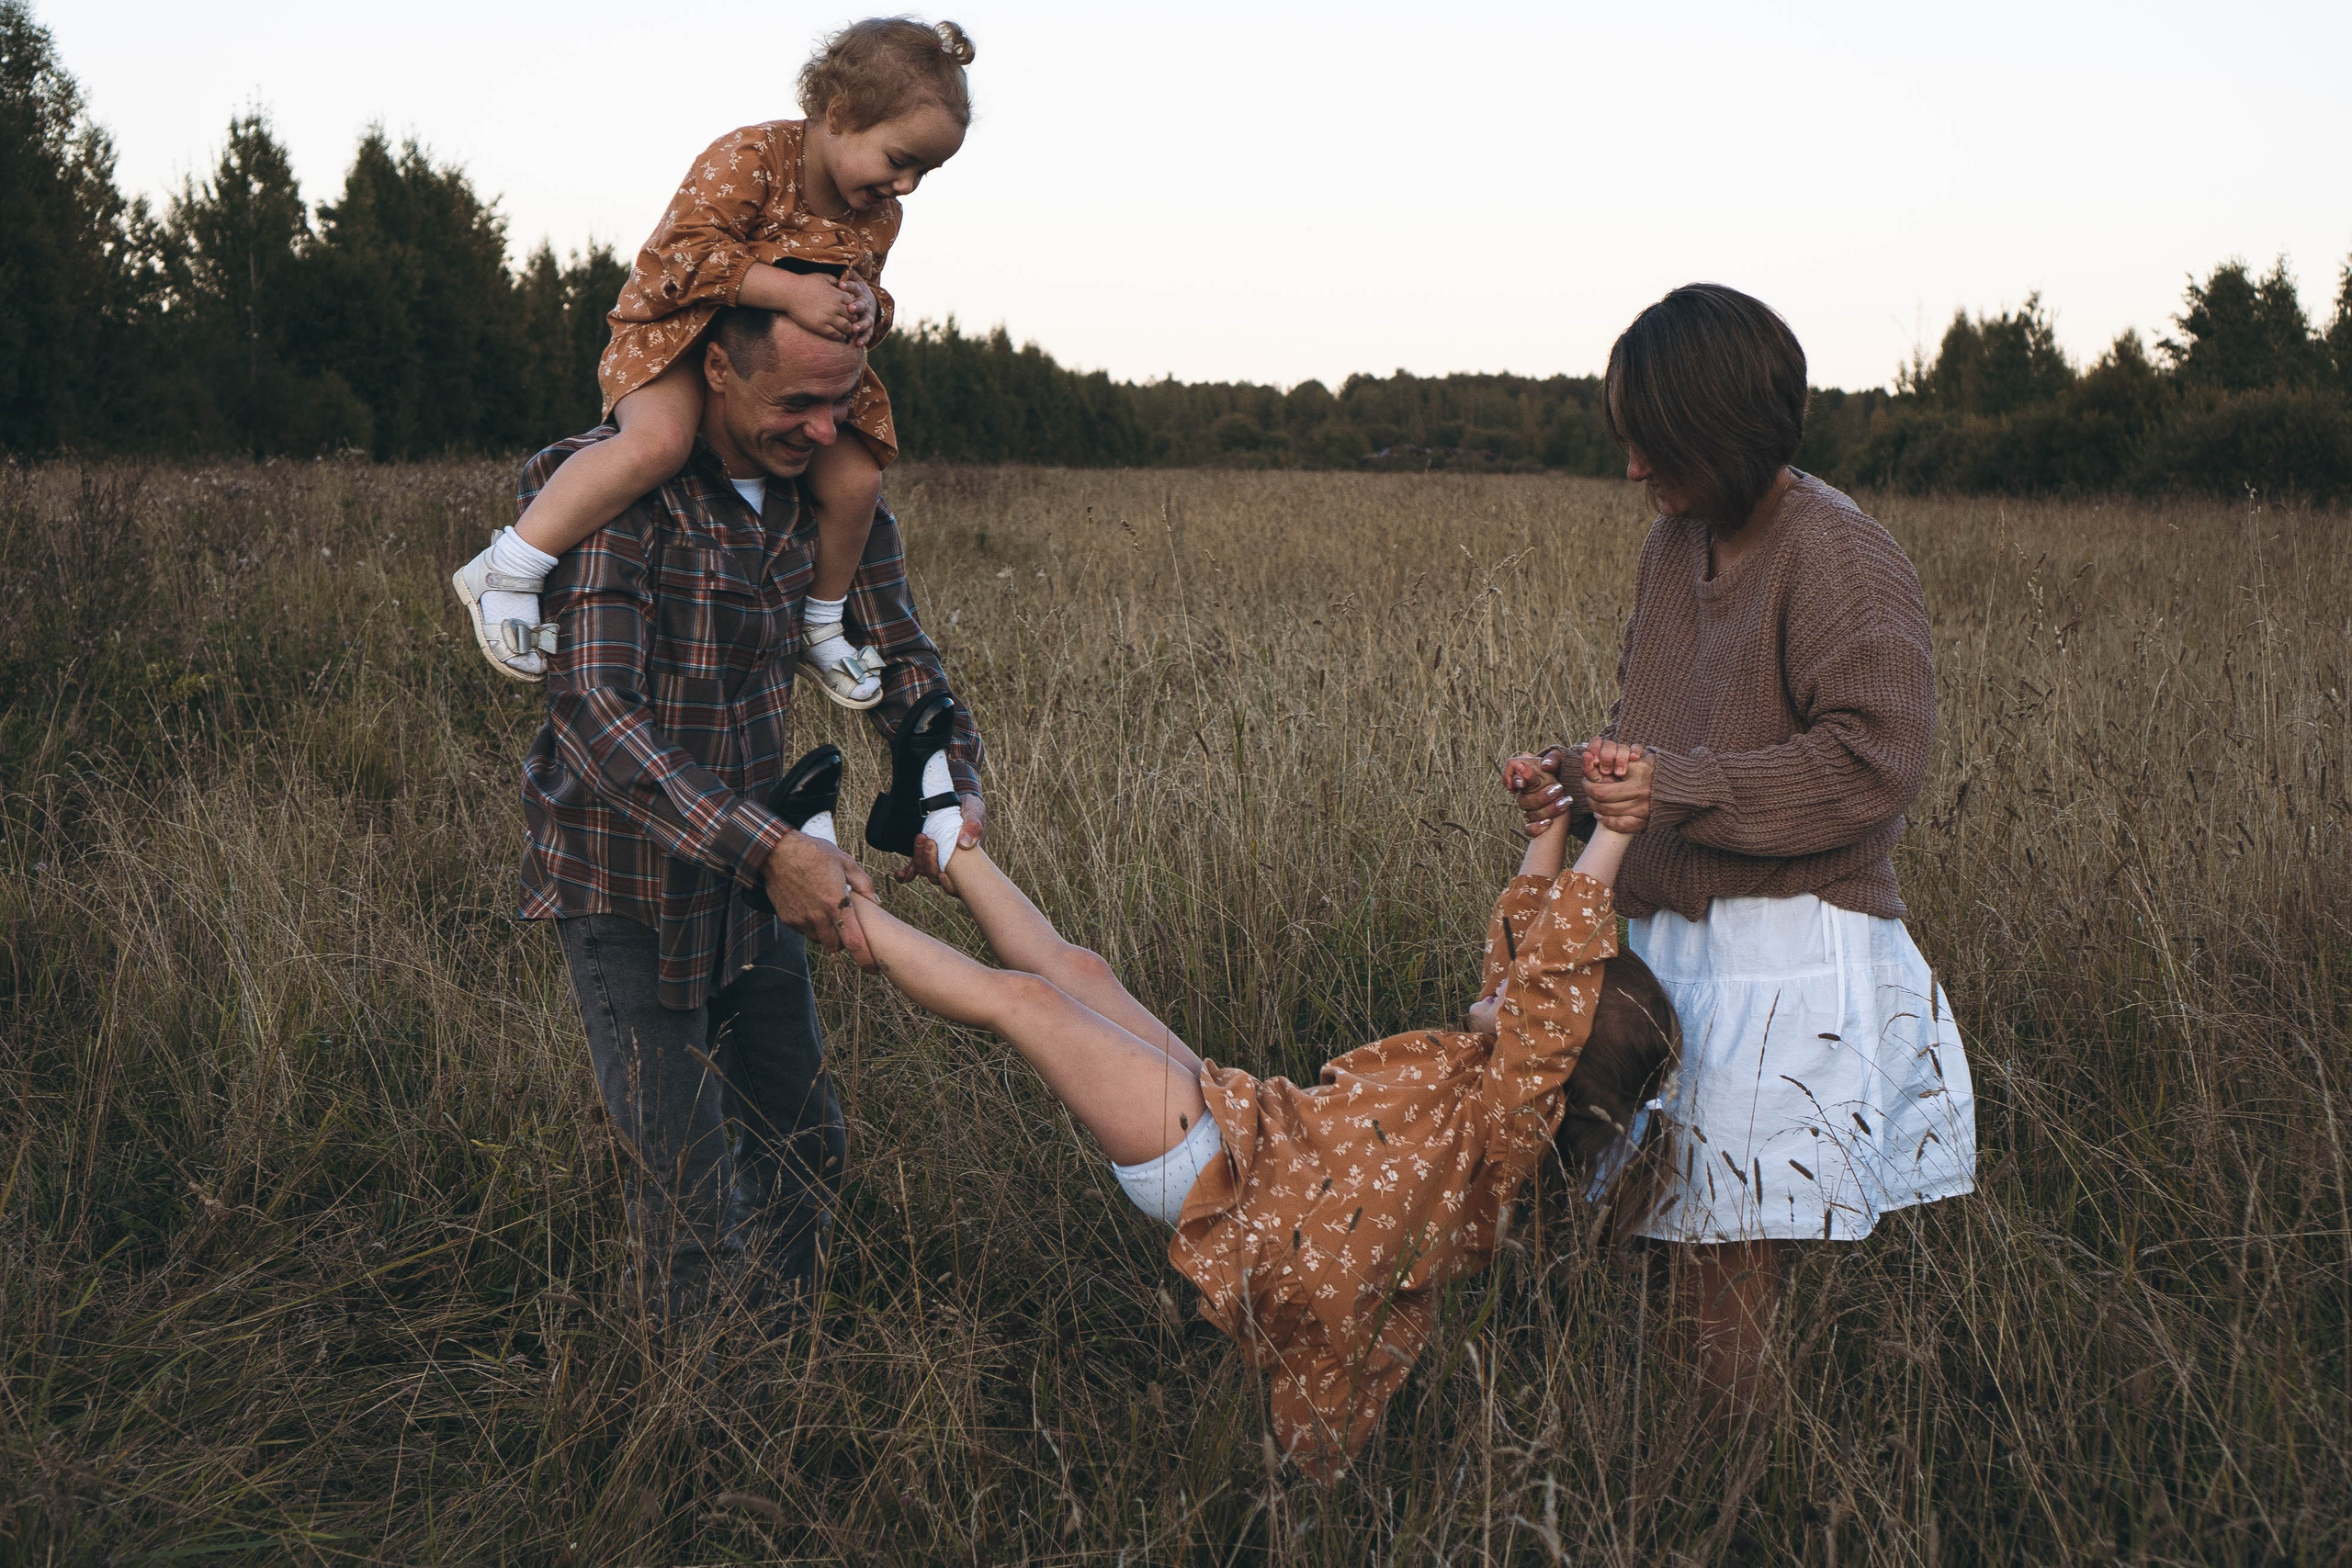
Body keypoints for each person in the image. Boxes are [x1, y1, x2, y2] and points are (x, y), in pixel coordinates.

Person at [811, 724, 1679, 1476]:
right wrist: (1555, 820)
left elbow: (1556, 966)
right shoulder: (1498, 1074)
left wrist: (1618, 833)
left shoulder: (1510, 1128)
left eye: (1532, 983)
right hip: (1245, 1127)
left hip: (1226, 1180)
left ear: (1558, 1039)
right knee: (1079, 974)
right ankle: (941, 837)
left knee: (1025, 1002)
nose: (1515, 964)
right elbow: (1537, 940)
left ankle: (834, 898)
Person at [1510, 283, 1976, 1413]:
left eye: (1651, 442)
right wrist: (1579, 781)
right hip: (1675, 941)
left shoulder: (1842, 555)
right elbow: (1674, 744)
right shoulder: (1674, 546)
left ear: (1720, 430)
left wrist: (1678, 785)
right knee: (1659, 1231)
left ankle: (1729, 1489)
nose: (1632, 471)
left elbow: (1875, 763)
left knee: (1725, 1255)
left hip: (1786, 950)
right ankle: (1690, 1469)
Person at [515, 303, 985, 1332]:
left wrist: (946, 782)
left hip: (755, 873)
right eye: (798, 402)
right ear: (716, 369)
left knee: (802, 1141)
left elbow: (902, 653)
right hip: (623, 881)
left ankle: (783, 1369)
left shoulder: (828, 501)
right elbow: (597, 711)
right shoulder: (620, 495)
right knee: (687, 1196)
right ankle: (702, 1442)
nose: (825, 432)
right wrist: (770, 850)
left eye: (843, 401)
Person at [455, 17, 976, 707]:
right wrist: (791, 289)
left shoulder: (877, 216)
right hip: (676, 331)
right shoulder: (751, 157)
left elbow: (868, 290)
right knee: (659, 443)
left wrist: (866, 307)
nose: (906, 185)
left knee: (855, 481)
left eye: (924, 172)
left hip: (774, 369)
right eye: (899, 159)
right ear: (841, 114)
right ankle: (509, 565)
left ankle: (818, 622)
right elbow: (682, 256)